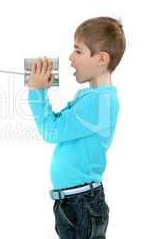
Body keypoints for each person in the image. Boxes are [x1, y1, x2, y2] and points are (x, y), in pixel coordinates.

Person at [28, 17, 125, 238]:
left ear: (101, 58)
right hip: (73, 202)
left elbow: (51, 130)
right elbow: (57, 123)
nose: (71, 58)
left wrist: (36, 90)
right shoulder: (90, 96)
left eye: (78, 51)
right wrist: (41, 90)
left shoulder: (100, 102)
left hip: (81, 204)